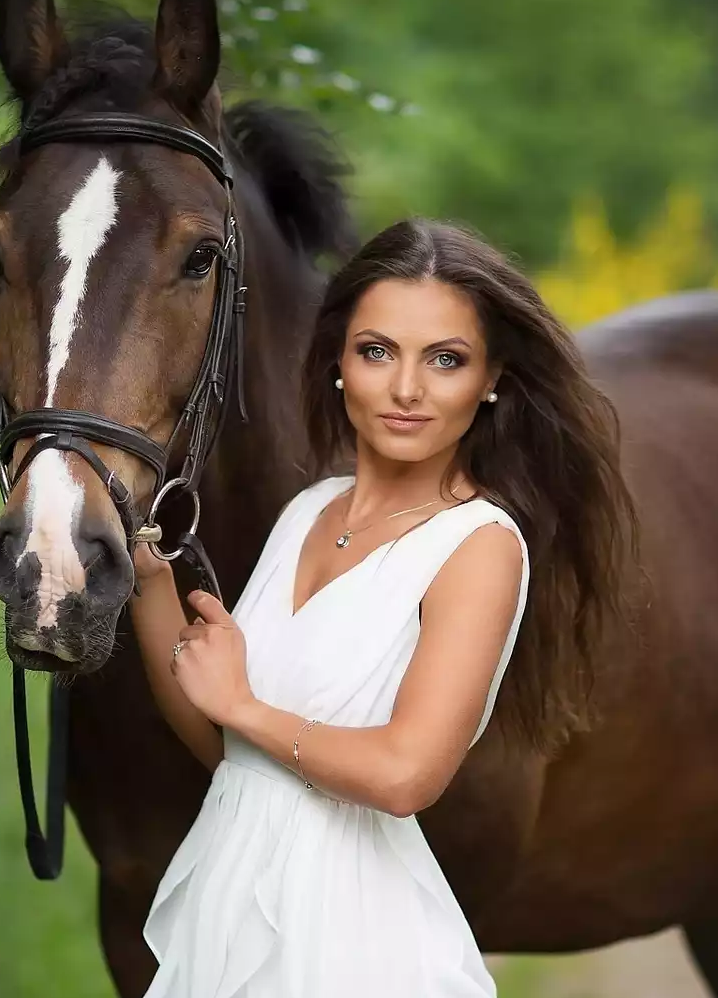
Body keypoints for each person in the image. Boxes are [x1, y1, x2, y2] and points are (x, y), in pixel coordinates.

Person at [126, 218, 639, 996]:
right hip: (235, 920)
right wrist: (150, 583)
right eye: (377, 351)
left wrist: (244, 705)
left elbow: (406, 775)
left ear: (491, 379)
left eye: (446, 360)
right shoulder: (310, 510)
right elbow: (236, 760)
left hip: (353, 942)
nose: (407, 389)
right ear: (339, 362)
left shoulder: (478, 544)